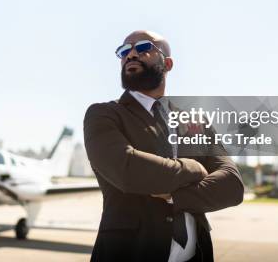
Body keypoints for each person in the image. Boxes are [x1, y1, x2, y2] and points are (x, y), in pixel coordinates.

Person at [84, 30, 244, 262]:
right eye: (124, 51)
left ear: (167, 63)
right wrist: (194, 168)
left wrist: (176, 196)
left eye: (142, 48)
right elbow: (127, 169)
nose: (131, 55)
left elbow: (232, 184)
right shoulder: (104, 114)